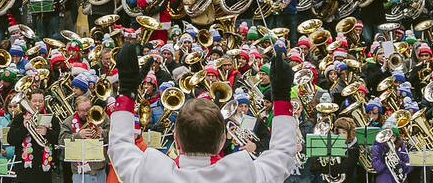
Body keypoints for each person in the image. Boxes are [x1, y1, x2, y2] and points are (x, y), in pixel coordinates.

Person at [106, 39, 302, 183]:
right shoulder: (242, 174)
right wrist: (282, 96)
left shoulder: (153, 173)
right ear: (223, 140)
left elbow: (119, 145)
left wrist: (126, 91)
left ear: (176, 138)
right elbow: (284, 153)